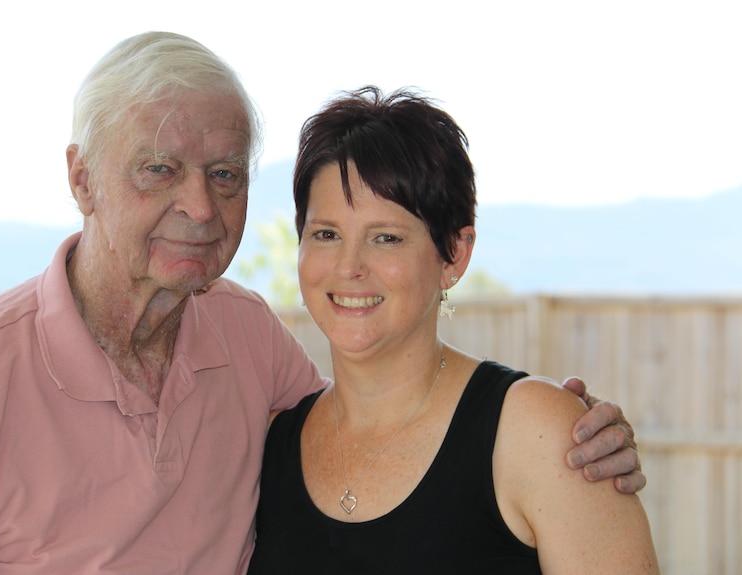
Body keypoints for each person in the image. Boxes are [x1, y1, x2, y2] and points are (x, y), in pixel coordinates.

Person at [0, 33, 641, 575]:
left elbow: (407, 440)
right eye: (159, 168)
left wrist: (566, 429)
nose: (201, 208)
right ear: (81, 179)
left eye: (224, 174)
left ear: (454, 254)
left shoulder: (247, 340)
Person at [248, 87, 659, 574]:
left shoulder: (541, 434)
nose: (349, 266)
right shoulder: (269, 444)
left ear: (455, 255)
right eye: (326, 234)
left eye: (386, 238)